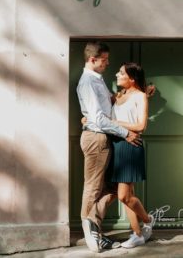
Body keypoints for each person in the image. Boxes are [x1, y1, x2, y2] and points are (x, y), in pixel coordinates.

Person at [76, 41, 141, 253]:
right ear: (92, 60)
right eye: (104, 60)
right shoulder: (88, 83)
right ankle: (90, 232)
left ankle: (93, 222)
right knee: (93, 187)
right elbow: (99, 119)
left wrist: (139, 94)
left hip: (104, 138)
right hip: (97, 138)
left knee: (114, 187)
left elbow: (108, 105)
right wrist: (126, 133)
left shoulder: (97, 80)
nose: (108, 63)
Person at [106, 62, 155, 248]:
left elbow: (141, 126)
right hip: (117, 145)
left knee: (123, 196)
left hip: (131, 147)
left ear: (131, 78)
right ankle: (137, 234)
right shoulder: (119, 95)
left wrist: (114, 122)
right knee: (129, 196)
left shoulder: (140, 96)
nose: (117, 75)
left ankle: (148, 220)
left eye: (121, 73)